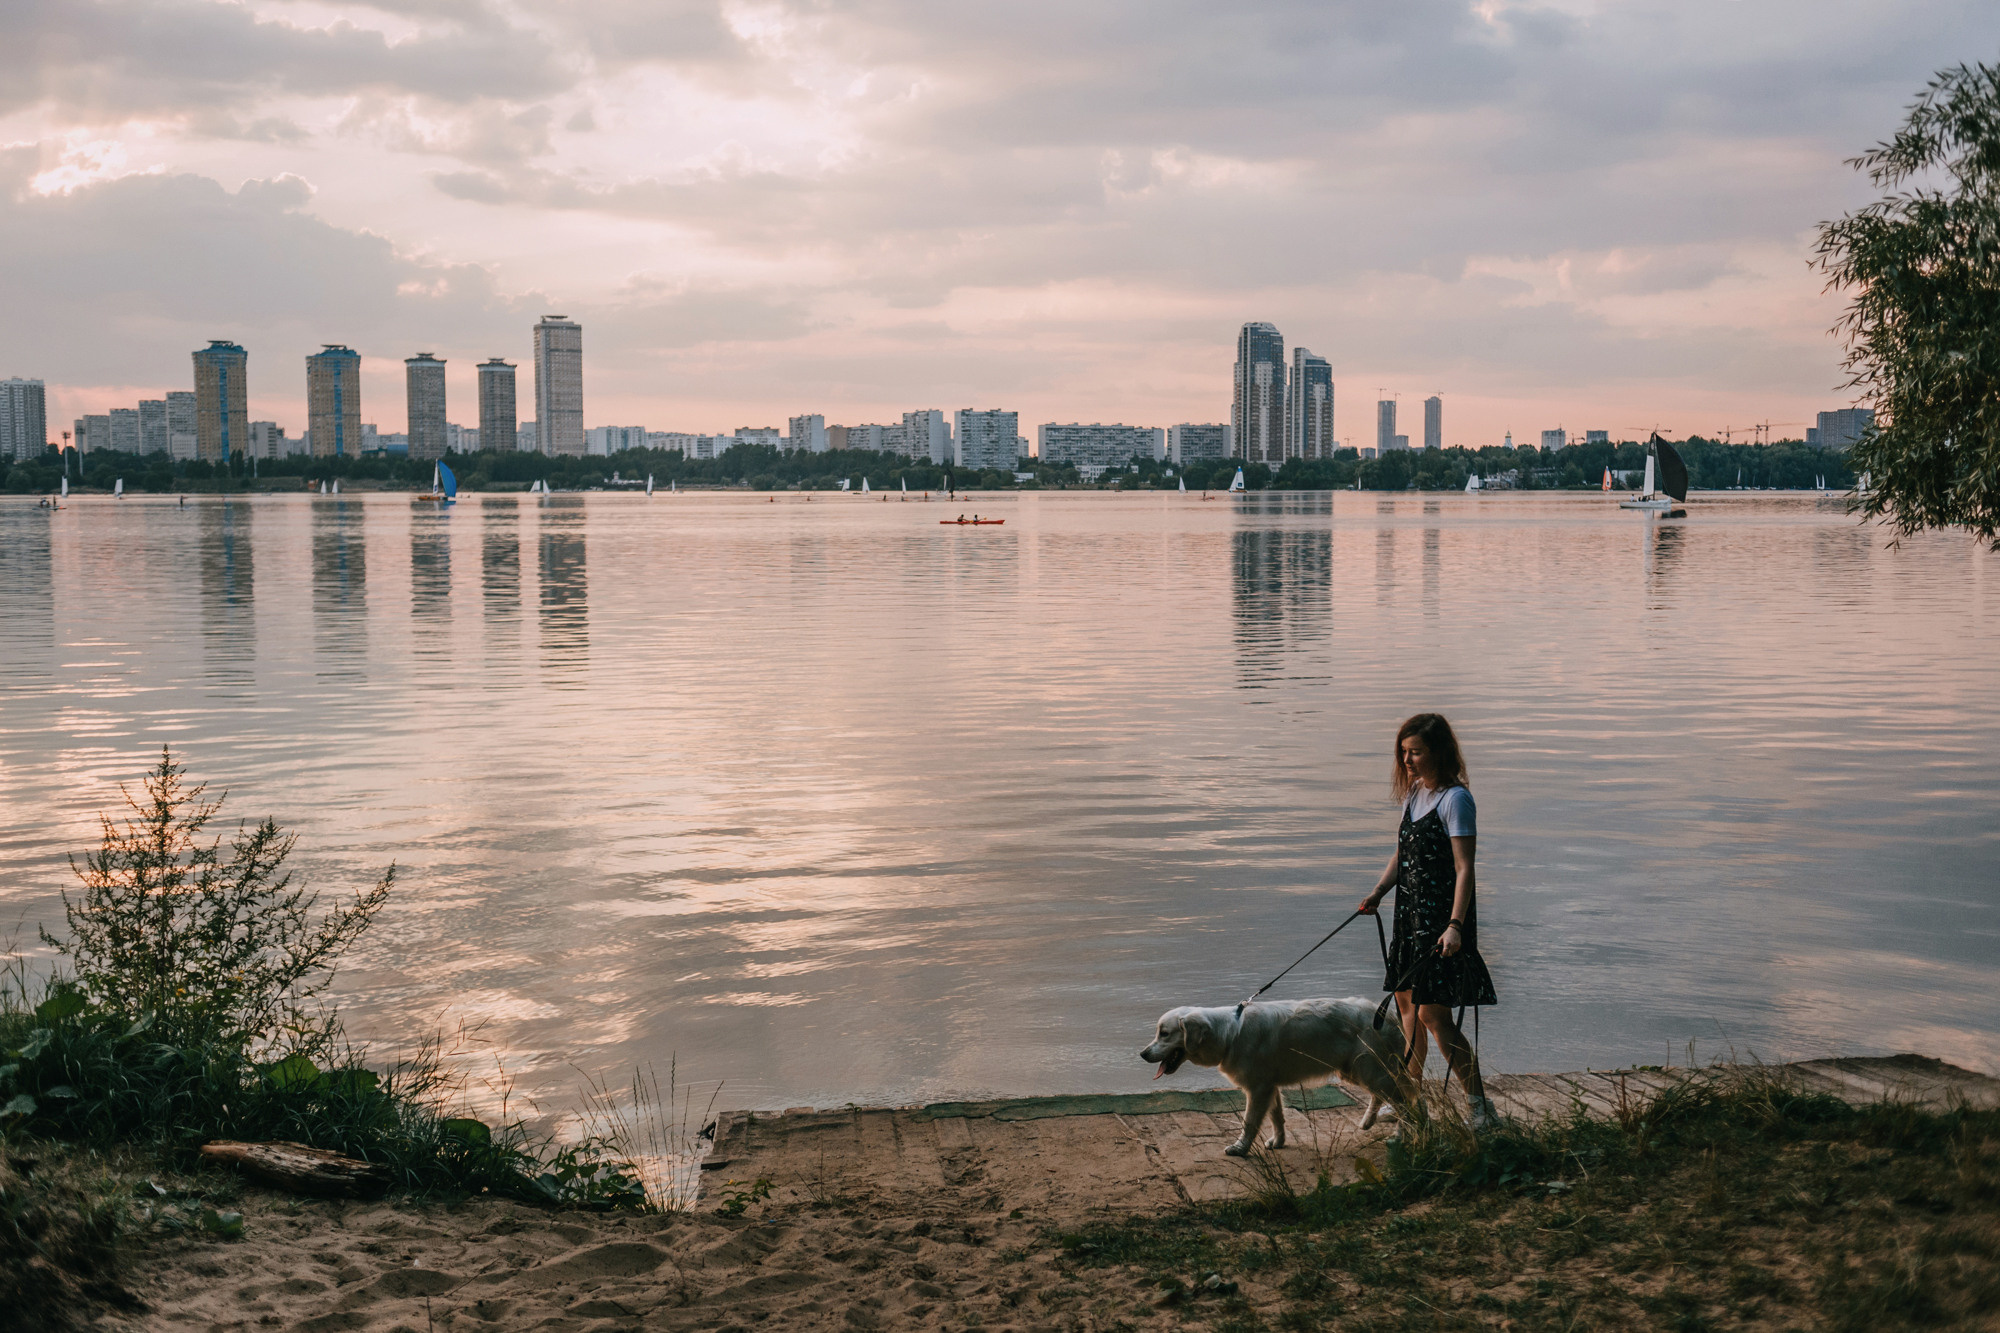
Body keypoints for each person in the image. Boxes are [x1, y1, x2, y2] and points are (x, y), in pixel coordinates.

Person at [1358, 713, 1500, 1130]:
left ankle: (1480, 1108)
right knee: (1406, 1007)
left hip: (1441, 921)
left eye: (1415, 752)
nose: (1406, 760)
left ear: (1438, 752)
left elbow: (1464, 868)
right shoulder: (1415, 793)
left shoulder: (1456, 799)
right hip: (1409, 915)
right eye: (1403, 752)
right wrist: (1379, 892)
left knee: (1433, 1016)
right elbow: (1403, 855)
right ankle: (1408, 1099)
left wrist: (1455, 925)